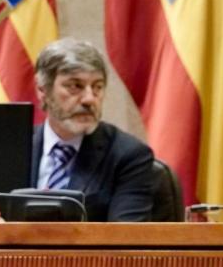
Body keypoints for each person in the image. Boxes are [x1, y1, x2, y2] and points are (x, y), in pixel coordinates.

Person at [30, 38, 153, 221]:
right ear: (42, 90)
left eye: (97, 87)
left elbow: (126, 240)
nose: (89, 99)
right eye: (75, 86)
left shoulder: (129, 156)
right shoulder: (10, 147)